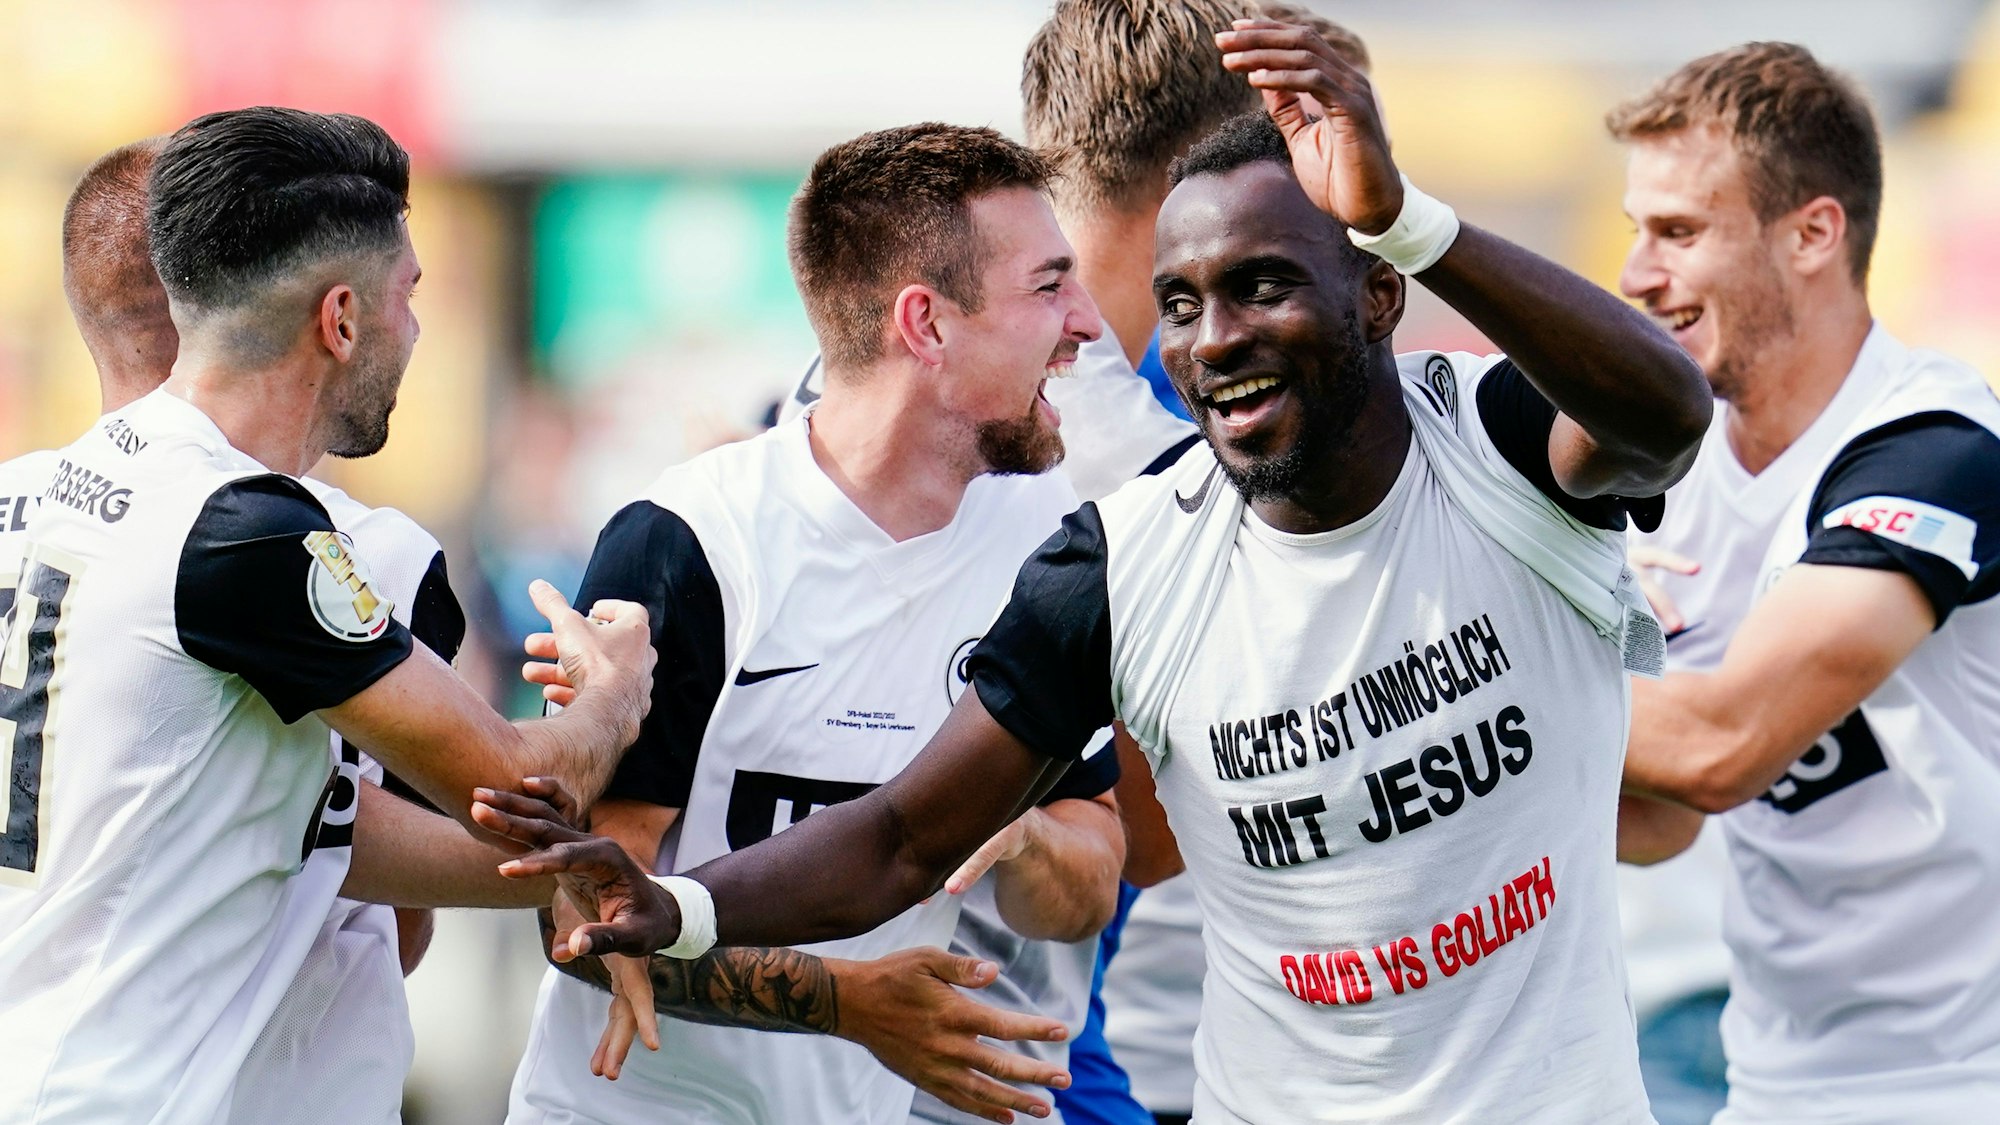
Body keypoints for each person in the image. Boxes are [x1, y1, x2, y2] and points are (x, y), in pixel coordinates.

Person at [480, 20, 1711, 1124]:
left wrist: (1407, 214)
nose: (1207, 338)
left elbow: (1662, 415)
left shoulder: (1484, 441)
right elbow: (901, 838)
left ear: (1378, 289)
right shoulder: (1112, 551)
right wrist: (686, 910)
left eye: (1261, 285)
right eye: (1175, 303)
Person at [0, 106, 655, 1125]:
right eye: (409, 297)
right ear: (341, 319)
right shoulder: (247, 531)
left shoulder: (28, 496)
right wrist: (612, 700)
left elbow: (319, 838)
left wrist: (586, 882)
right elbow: (505, 791)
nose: (418, 329)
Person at [504, 122, 1125, 1125]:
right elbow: (583, 917)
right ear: (924, 324)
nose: (1087, 324)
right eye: (1047, 287)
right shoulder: (691, 541)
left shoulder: (1049, 550)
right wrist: (844, 1006)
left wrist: (1016, 835)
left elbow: (1090, 882)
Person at [1607, 42, 2000, 1124]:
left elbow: (1720, 747)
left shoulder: (1936, 447)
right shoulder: (1667, 479)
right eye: (1637, 229)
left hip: (1960, 1084)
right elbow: (1656, 824)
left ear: (1813, 233)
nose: (1636, 273)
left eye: (1678, 232)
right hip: (1775, 1077)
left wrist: (1497, 663)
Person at [1018, 4, 1373, 1123]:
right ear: (1215, 167)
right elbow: (1154, 841)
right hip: (1033, 1057)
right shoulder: (1152, 462)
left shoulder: (884, 354)